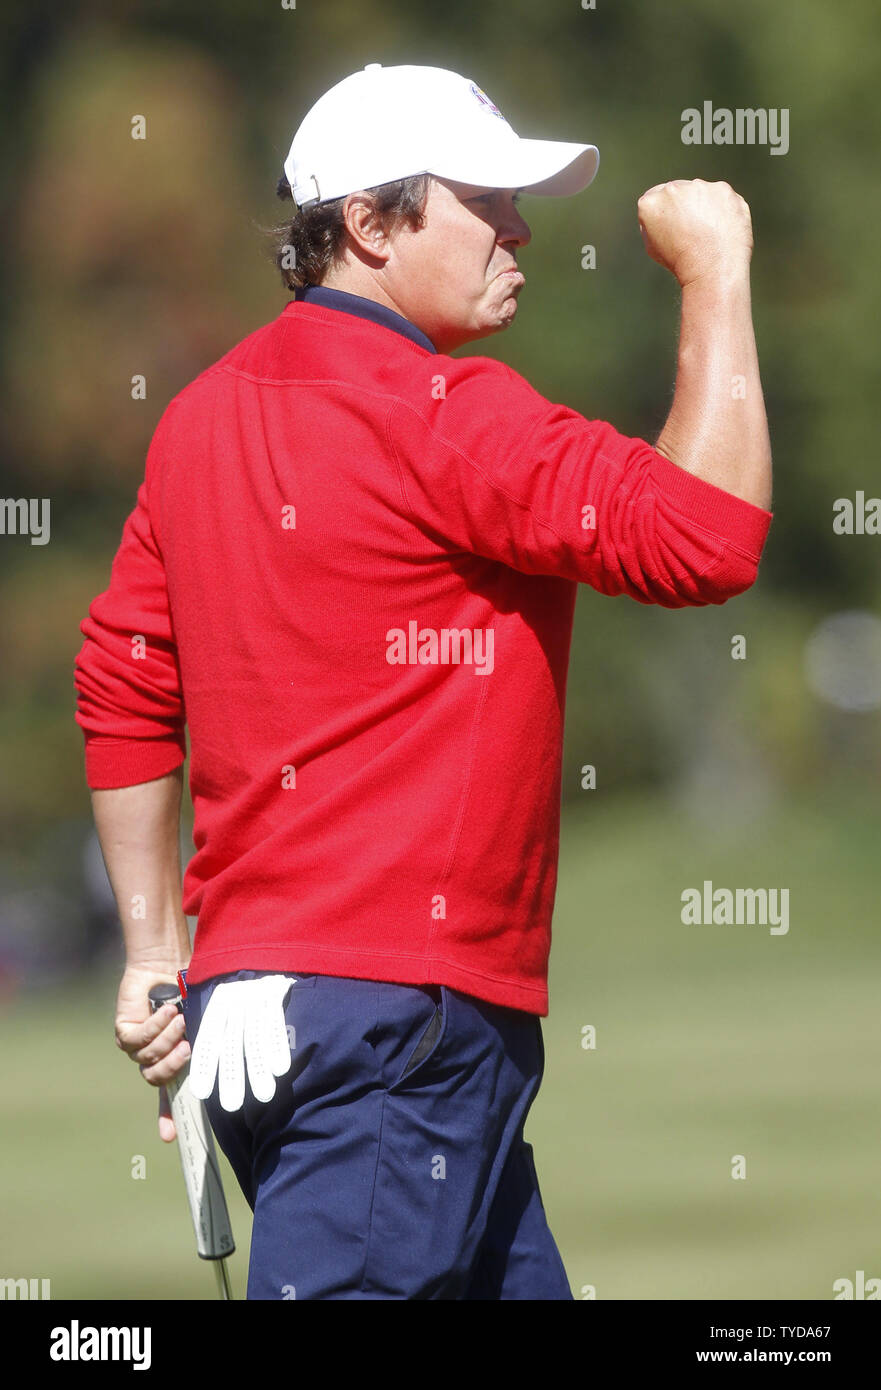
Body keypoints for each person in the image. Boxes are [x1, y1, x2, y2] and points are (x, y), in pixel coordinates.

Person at [74, 62, 773, 1300]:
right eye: (484, 200)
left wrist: (149, 952)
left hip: (272, 1016)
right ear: (368, 224)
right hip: (401, 1029)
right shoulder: (454, 412)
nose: (516, 228)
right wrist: (715, 274)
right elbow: (707, 536)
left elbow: (123, 683)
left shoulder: (194, 419)